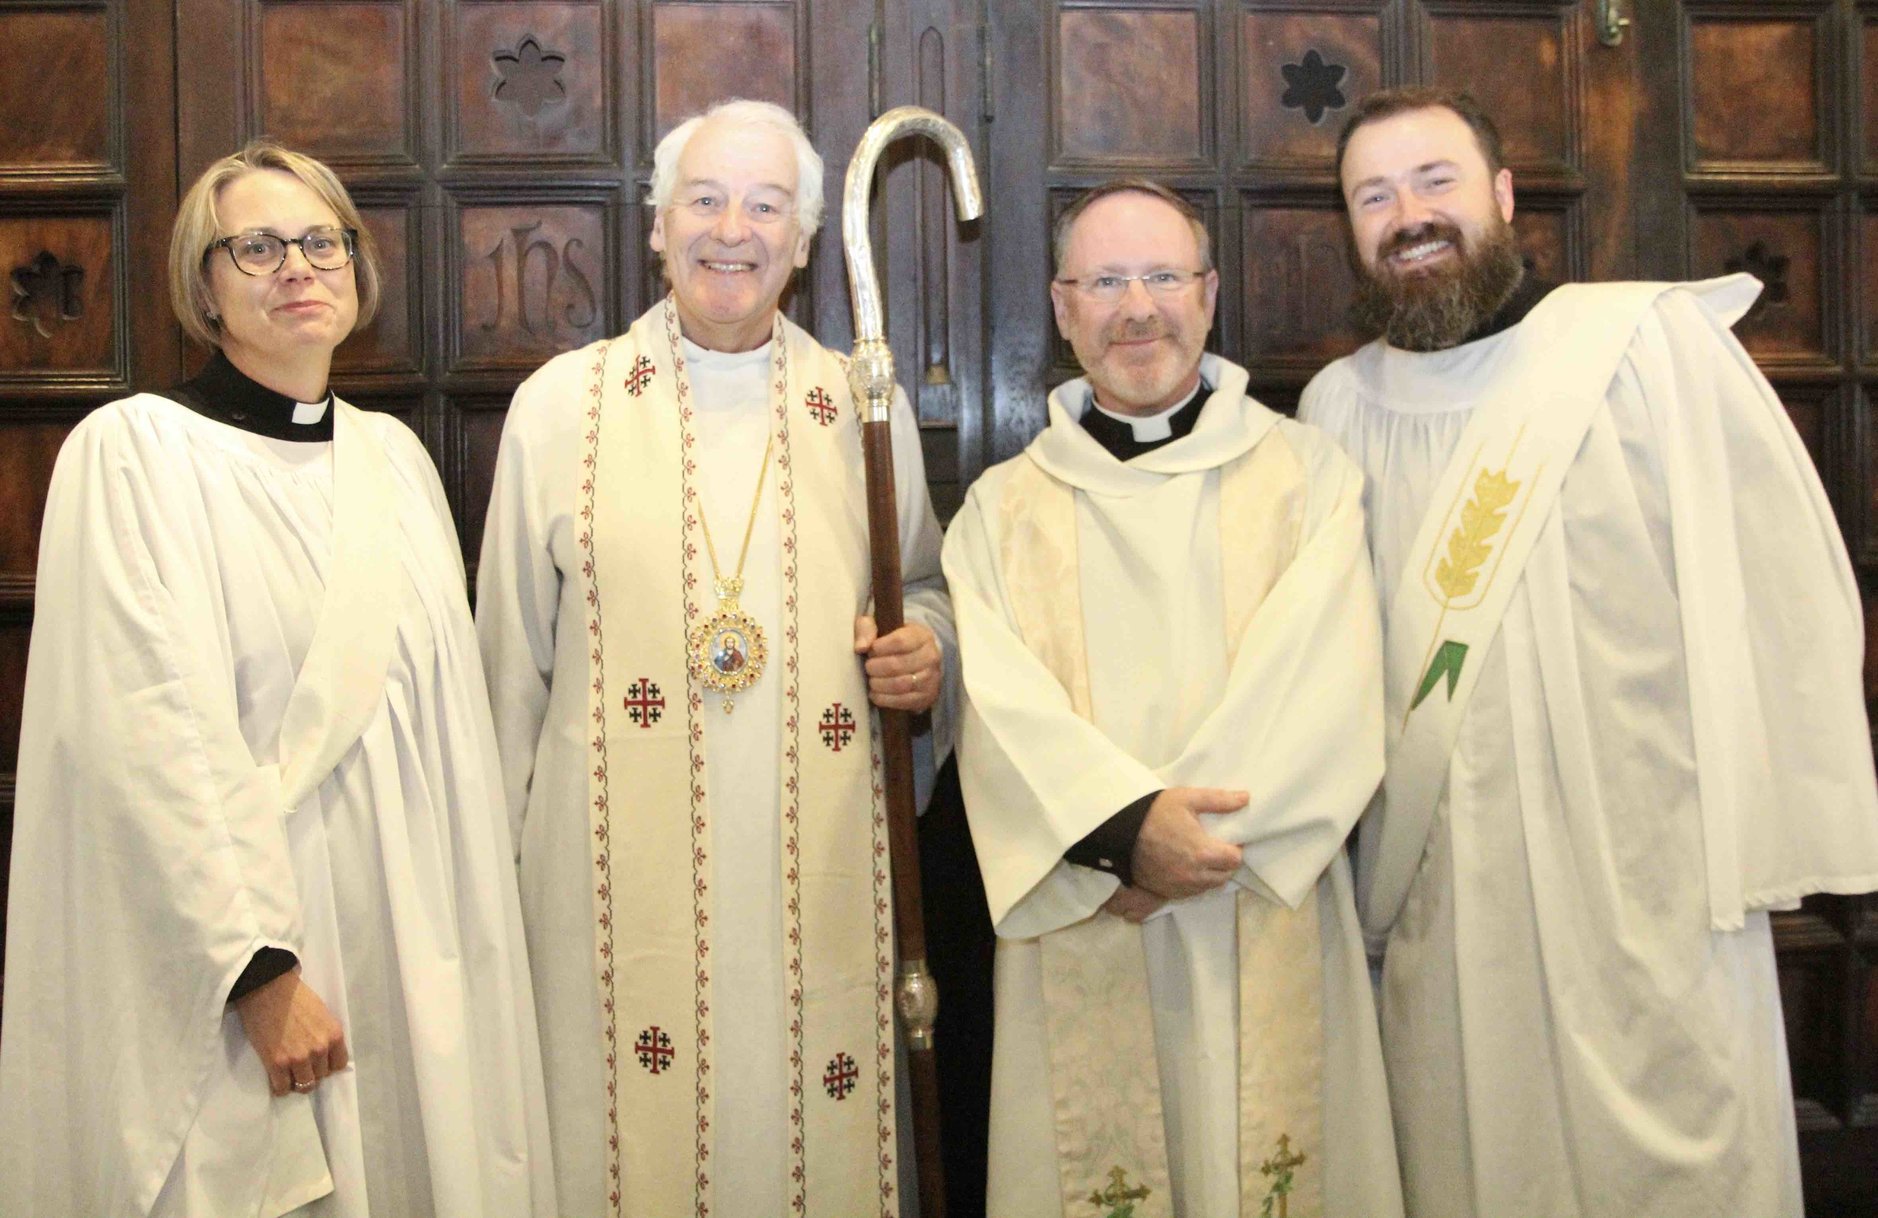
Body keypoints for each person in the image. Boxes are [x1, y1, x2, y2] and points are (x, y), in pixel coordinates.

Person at [1300, 86, 1878, 1218]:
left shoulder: (1644, 349)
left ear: (1504, 195)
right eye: (1375, 195)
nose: (1408, 214)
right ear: (1351, 230)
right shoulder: (1336, 410)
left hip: (1646, 884)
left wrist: (1765, 829)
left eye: (1435, 181)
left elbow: (1782, 596)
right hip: (1445, 901)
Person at [0, 142, 556, 1217]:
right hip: (248, 958)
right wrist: (256, 972)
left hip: (413, 948)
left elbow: (442, 739)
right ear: (201, 286)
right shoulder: (134, 456)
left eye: (319, 242)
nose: (295, 266)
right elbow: (146, 742)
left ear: (357, 268)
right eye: (253, 247)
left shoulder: (395, 461)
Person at [476, 98, 955, 1216]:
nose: (730, 230)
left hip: (821, 871)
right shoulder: (560, 410)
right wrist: (484, 902)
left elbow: (922, 588)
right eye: (703, 199)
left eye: (765, 205)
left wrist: (929, 650)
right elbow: (504, 674)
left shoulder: (860, 405)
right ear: (656, 226)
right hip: (602, 887)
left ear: (804, 241)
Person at [944, 178, 1402, 1218]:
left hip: (1258, 897)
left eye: (1160, 276)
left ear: (1210, 295)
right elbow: (1002, 721)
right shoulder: (1002, 511)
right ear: (1063, 310)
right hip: (1090, 900)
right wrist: (1118, 837)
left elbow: (1327, 686)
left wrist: (1180, 846)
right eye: (1105, 281)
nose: (1136, 307)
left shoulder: (1307, 476)